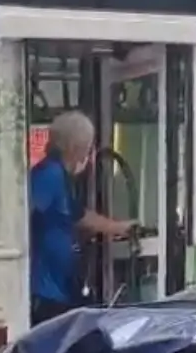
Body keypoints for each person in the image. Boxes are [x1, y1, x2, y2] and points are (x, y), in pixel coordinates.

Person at [29, 110, 134, 326]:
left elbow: (79, 215)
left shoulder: (61, 178)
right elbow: (30, 212)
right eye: (87, 147)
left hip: (60, 290)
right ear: (74, 148)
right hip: (47, 292)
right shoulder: (49, 175)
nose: (89, 154)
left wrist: (119, 228)